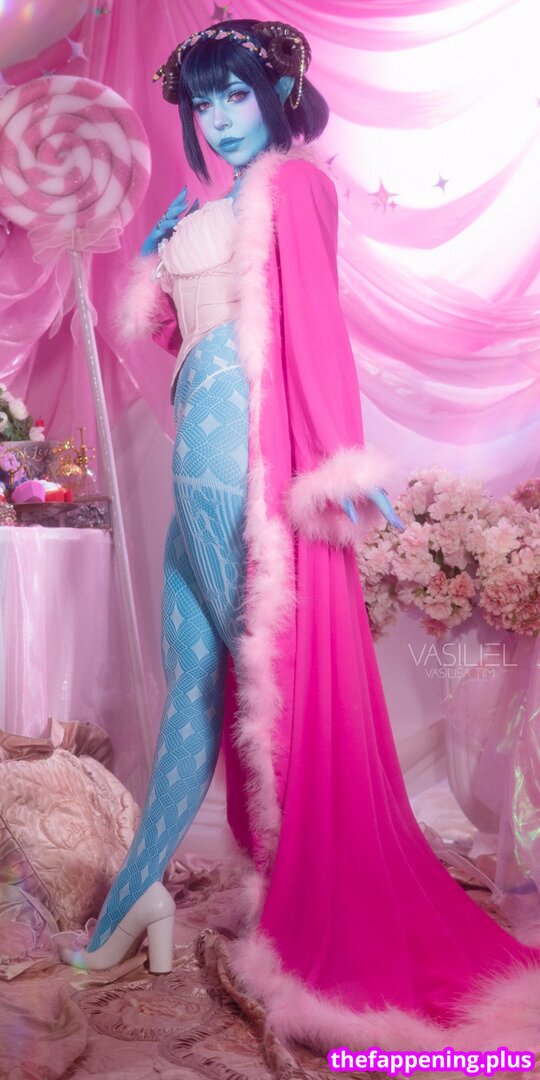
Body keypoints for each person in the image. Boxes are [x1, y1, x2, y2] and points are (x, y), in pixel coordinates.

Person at [62, 18, 540, 1055]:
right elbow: (195, 341)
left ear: (278, 94)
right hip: (198, 461)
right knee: (195, 686)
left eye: (236, 94)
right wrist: (154, 269)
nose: (220, 118)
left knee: (256, 692)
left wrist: (336, 463)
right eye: (204, 101)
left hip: (233, 468)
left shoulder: (294, 189)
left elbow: (312, 336)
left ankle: (249, 900)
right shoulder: (208, 210)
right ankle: (137, 900)